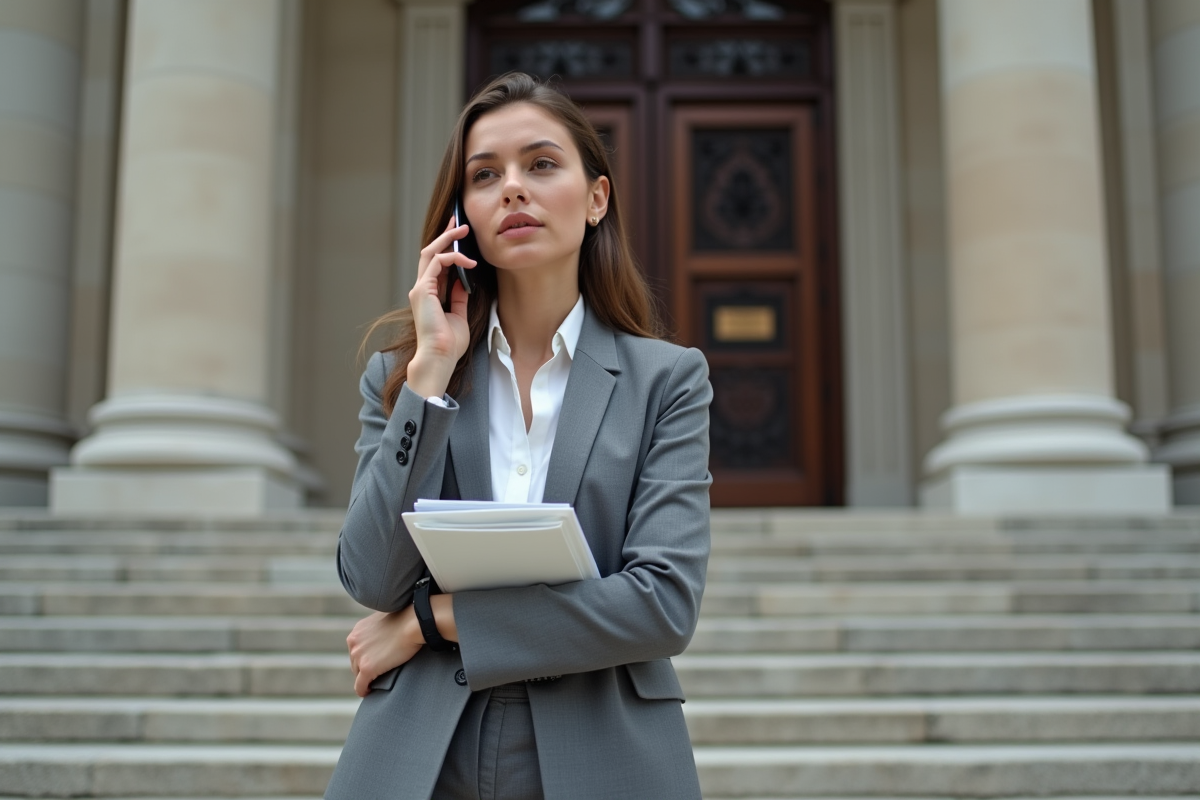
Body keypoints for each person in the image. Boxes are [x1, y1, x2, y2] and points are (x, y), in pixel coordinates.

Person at [324, 72, 712, 800]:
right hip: (419, 748)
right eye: (484, 174)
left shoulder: (669, 381)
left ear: (597, 198)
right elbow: (372, 577)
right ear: (462, 214)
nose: (512, 188)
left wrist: (431, 622)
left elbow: (661, 603)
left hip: (602, 746)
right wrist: (429, 376)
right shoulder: (405, 376)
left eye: (540, 164)